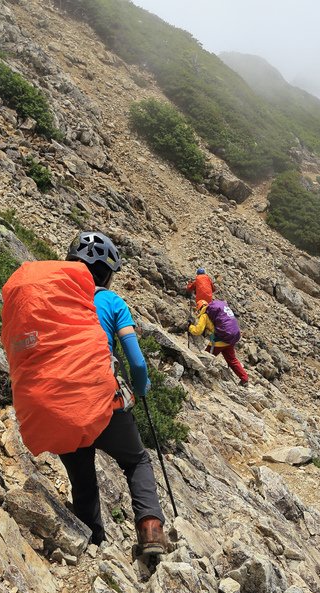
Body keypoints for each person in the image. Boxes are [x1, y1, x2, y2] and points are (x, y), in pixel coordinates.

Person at [59, 231, 168, 556]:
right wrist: (141, 384)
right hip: (103, 399)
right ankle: (151, 531)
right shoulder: (111, 302)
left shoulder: (55, 297)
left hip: (62, 400)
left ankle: (93, 543)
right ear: (106, 274)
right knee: (136, 460)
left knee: (82, 471)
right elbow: (135, 359)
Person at [188, 299, 249, 386]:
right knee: (232, 360)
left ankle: (199, 376)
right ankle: (244, 378)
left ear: (199, 308)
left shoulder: (205, 315)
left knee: (205, 357)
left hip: (219, 341)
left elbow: (198, 331)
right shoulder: (218, 311)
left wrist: (190, 327)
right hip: (230, 338)